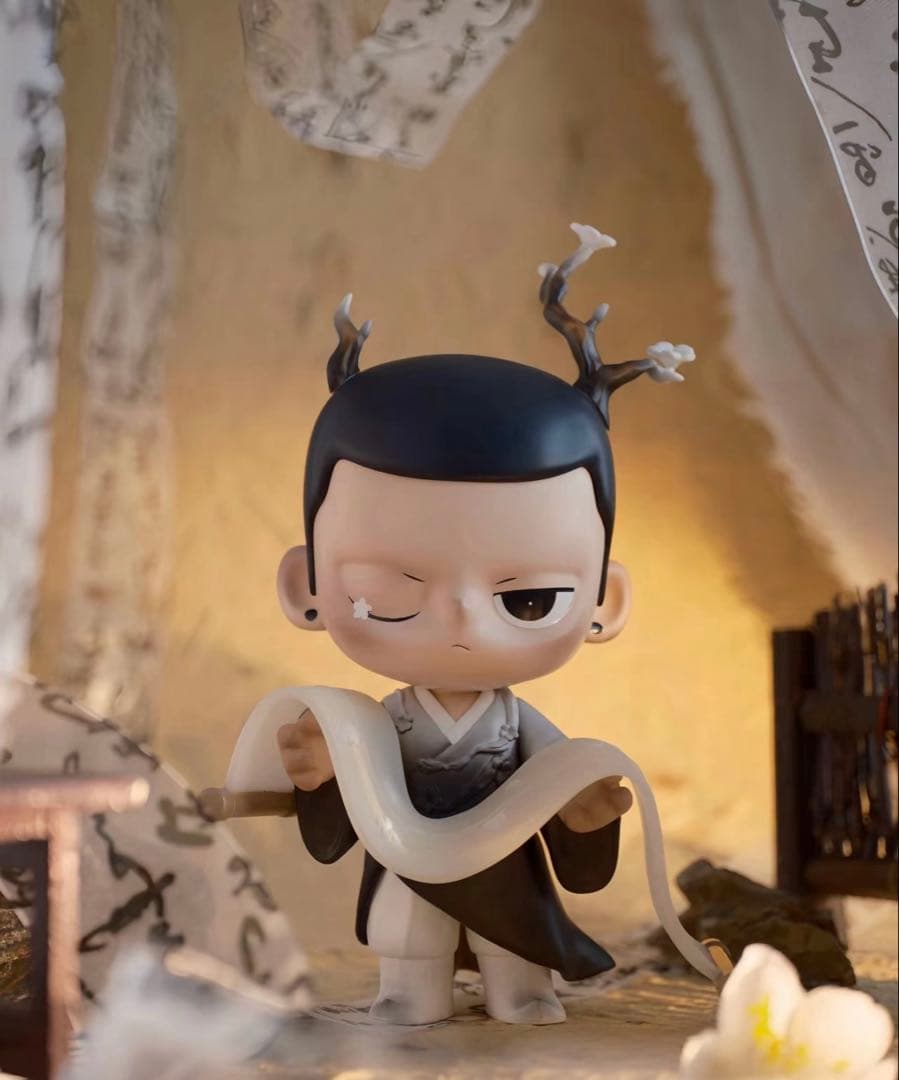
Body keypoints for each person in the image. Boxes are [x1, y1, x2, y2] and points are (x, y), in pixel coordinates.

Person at [275, 224, 695, 1025]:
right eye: (387, 595)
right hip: (409, 864)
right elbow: (338, 825)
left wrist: (580, 815)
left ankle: (521, 989)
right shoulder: (377, 724)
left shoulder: (517, 727)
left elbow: (567, 791)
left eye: (526, 599)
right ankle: (408, 992)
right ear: (307, 588)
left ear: (603, 603)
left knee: (515, 950)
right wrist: (323, 774)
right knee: (411, 938)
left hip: (505, 867)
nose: (463, 618)